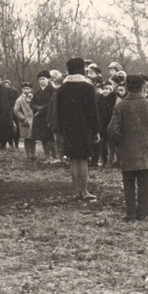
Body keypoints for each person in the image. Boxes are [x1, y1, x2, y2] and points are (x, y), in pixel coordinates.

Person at [108, 74, 148, 221]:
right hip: (146, 149)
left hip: (127, 150)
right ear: (143, 87)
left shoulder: (120, 105)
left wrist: (120, 143)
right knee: (143, 183)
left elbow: (112, 130)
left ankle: (131, 213)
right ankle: (143, 213)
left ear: (127, 87)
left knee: (128, 182)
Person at [56, 57, 100, 200]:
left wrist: (61, 130)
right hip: (84, 127)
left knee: (73, 160)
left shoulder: (62, 89)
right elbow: (93, 111)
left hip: (68, 128)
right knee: (83, 160)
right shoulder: (87, 87)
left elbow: (59, 111)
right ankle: (85, 191)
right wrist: (96, 129)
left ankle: (76, 191)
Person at [31, 69, 58, 164]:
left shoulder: (53, 90)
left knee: (50, 138)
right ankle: (47, 156)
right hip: (39, 118)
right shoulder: (37, 92)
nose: (41, 81)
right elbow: (32, 103)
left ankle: (54, 157)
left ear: (48, 79)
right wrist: (36, 107)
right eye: (40, 79)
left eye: (43, 79)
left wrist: (41, 109)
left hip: (49, 117)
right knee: (43, 138)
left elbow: (51, 103)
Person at [14, 82, 35, 160]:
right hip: (25, 121)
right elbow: (16, 110)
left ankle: (33, 153)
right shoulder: (19, 99)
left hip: (33, 121)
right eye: (24, 89)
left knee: (33, 138)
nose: (26, 90)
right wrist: (22, 118)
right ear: (21, 89)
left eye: (28, 89)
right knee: (27, 138)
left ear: (31, 89)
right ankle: (27, 154)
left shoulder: (33, 97)